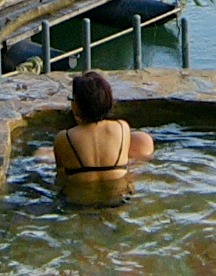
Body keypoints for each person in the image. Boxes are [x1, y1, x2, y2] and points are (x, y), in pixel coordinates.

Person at [51, 69, 152, 203]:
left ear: (76, 105)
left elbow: (61, 176)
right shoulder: (122, 127)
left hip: (79, 202)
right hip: (119, 200)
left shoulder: (64, 138)